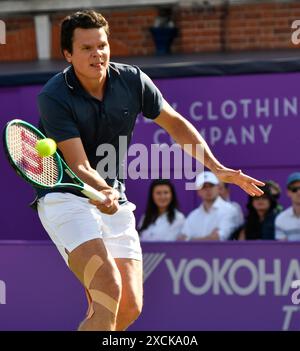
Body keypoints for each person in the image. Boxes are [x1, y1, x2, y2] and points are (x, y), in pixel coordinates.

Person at [35, 10, 264, 331]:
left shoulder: (131, 80)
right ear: (68, 54)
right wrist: (101, 191)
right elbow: (80, 164)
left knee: (130, 306)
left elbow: (174, 123)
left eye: (102, 45)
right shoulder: (54, 96)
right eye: (86, 48)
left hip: (114, 197)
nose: (97, 54)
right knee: (108, 290)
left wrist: (218, 168)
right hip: (66, 199)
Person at [179, 172, 239, 241]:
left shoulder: (230, 210)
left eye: (211, 185)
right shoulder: (193, 215)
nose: (208, 189)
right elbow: (182, 240)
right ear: (198, 191)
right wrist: (208, 238)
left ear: (218, 188)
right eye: (203, 187)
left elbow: (218, 238)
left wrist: (190, 239)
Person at [275, 172, 300, 241]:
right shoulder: (281, 219)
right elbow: (283, 249)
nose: (299, 192)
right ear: (288, 192)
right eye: (294, 189)